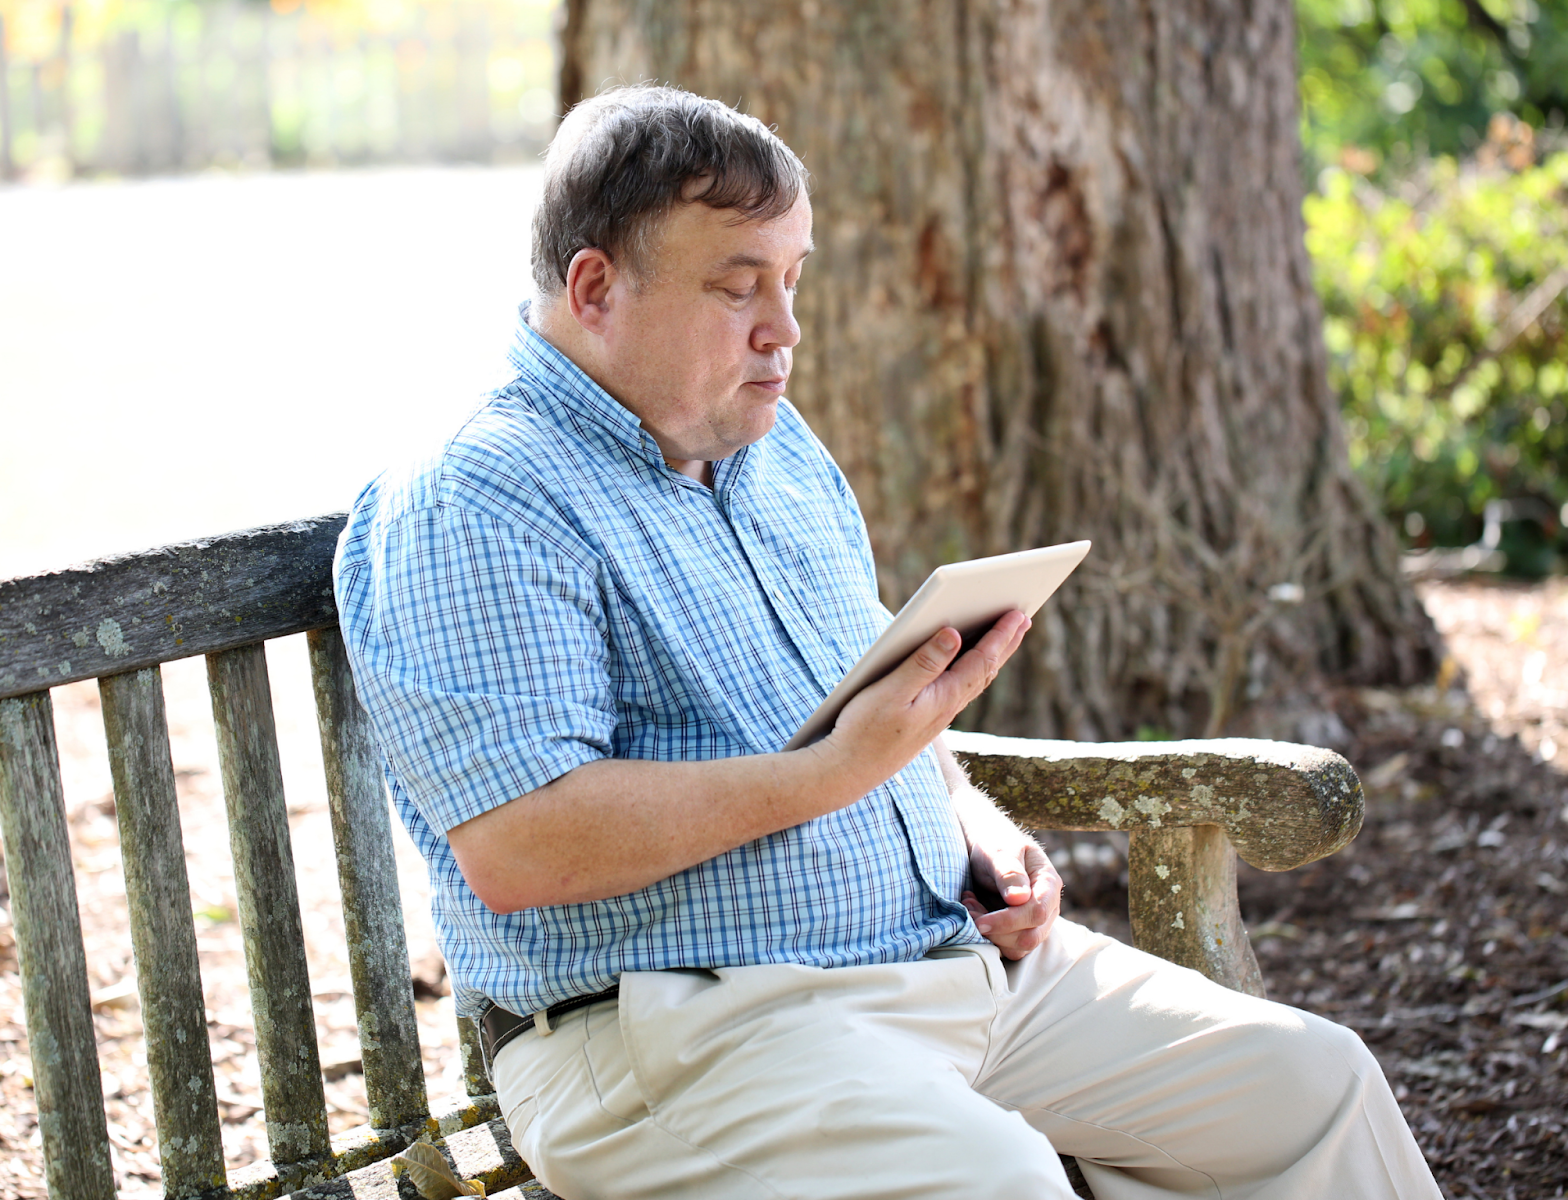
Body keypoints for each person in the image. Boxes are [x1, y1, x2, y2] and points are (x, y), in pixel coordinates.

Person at [335, 84, 1442, 1200]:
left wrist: (973, 823)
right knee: (998, 1181)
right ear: (594, 288)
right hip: (681, 1030)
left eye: (793, 276)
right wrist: (827, 778)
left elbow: (867, 697)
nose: (786, 328)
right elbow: (521, 847)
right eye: (737, 287)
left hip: (946, 970)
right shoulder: (480, 496)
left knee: (1311, 1090)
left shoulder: (768, 444)